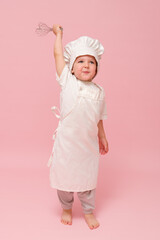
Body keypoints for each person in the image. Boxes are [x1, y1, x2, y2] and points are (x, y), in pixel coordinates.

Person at [47, 24, 109, 230]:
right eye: (80, 61)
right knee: (64, 180)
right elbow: (57, 55)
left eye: (91, 62)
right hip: (67, 144)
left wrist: (102, 136)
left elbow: (99, 117)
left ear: (97, 68)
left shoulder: (99, 91)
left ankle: (88, 210)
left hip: (87, 145)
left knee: (87, 180)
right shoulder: (68, 81)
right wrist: (59, 36)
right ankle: (66, 207)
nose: (86, 65)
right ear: (71, 67)